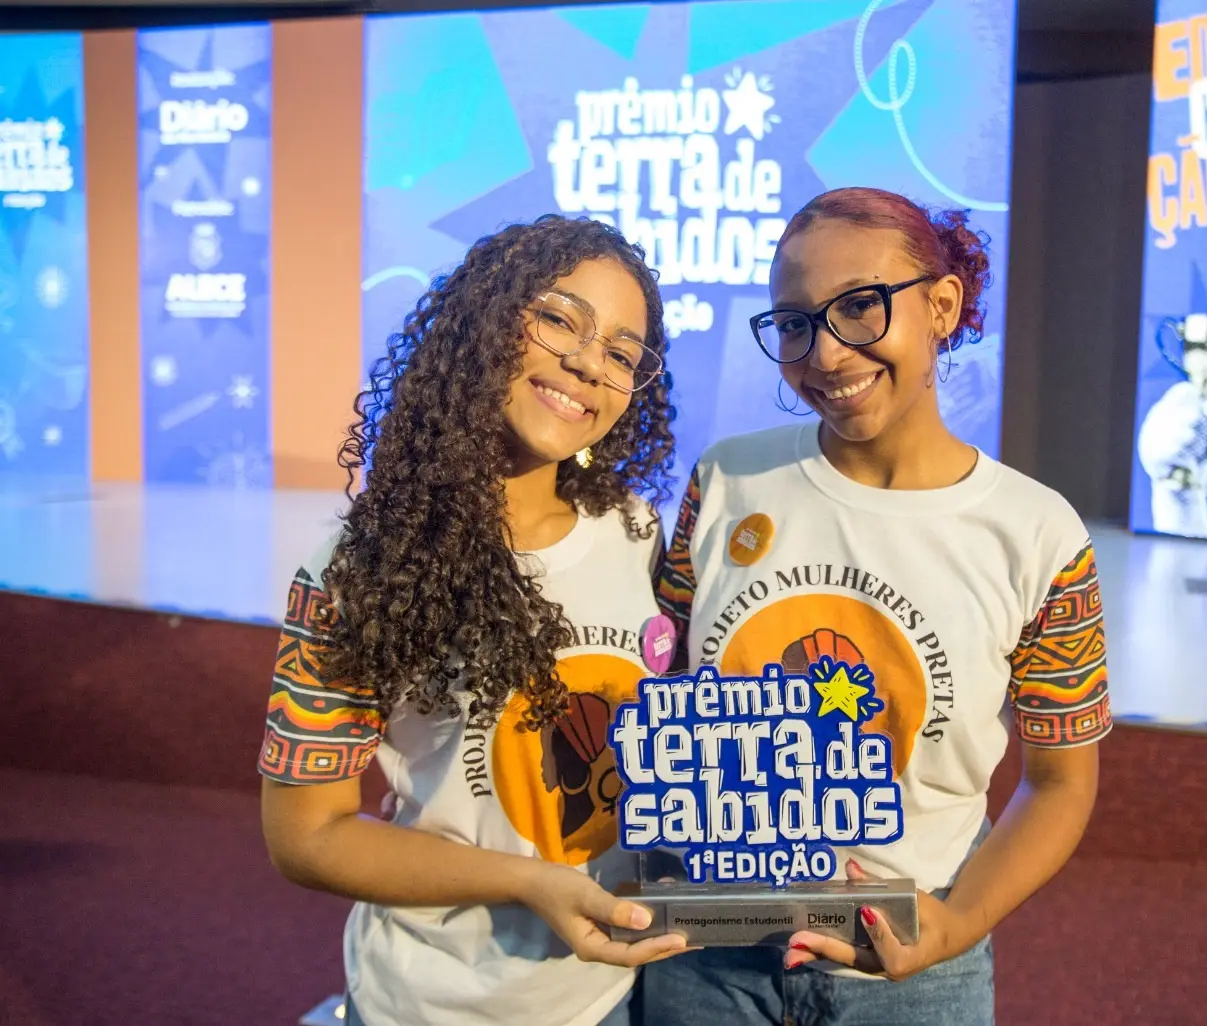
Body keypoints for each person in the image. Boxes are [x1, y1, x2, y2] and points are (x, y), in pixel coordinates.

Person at [647, 187, 1111, 1024]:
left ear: (941, 305)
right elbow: (655, 693)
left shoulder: (1039, 535)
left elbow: (1061, 783)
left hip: (911, 968)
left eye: (859, 306)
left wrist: (960, 921)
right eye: (794, 322)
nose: (824, 353)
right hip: (707, 949)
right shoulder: (724, 482)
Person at [258, 216, 689, 1026]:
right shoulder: (357, 570)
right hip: (433, 1002)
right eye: (561, 318)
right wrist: (527, 882)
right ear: (485, 322)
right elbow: (306, 837)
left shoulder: (635, 533)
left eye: (623, 354)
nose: (588, 362)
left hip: (612, 996)